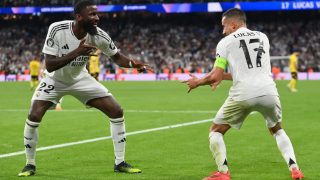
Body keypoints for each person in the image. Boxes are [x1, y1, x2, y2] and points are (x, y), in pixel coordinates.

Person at [18, 0, 152, 177]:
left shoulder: (99, 36)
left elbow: (117, 57)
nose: (97, 18)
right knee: (33, 115)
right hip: (55, 79)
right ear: (79, 17)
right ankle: (30, 164)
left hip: (80, 79)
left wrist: (133, 64)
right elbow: (49, 65)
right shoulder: (57, 29)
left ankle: (119, 162)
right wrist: (77, 52)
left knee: (116, 110)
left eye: (97, 14)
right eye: (92, 14)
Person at [182, 8, 304, 180]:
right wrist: (222, 76)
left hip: (243, 94)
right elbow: (248, 71)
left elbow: (215, 75)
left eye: (224, 26)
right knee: (277, 129)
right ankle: (295, 168)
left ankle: (223, 173)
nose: (223, 30)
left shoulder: (225, 43)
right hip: (269, 91)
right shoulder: (263, 37)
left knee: (215, 131)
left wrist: (198, 82)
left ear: (233, 24)